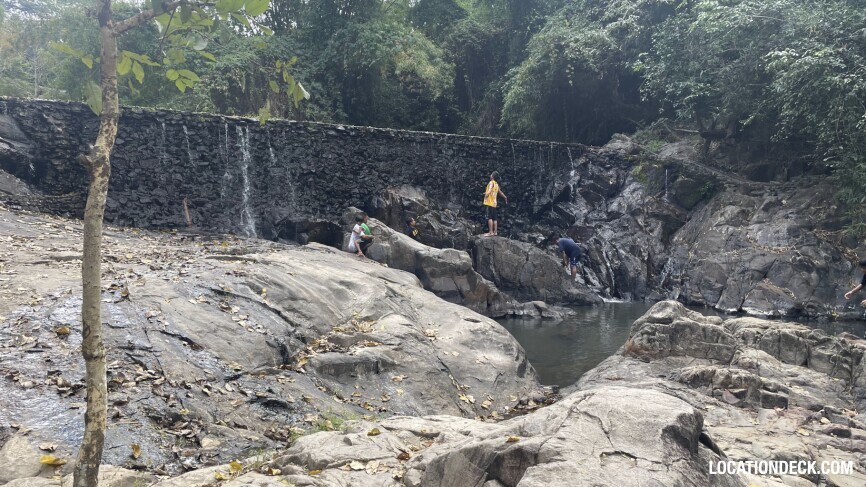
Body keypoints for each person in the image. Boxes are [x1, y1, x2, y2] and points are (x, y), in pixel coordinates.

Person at [483, 171, 507, 236]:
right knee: (495, 218)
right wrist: (505, 197)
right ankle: (495, 232)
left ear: (492, 176)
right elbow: (500, 192)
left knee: (489, 217)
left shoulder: (491, 183)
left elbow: (490, 189)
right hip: (494, 203)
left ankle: (490, 232)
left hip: (489, 203)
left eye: (491, 174)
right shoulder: (496, 184)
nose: (490, 175)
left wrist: (486, 194)